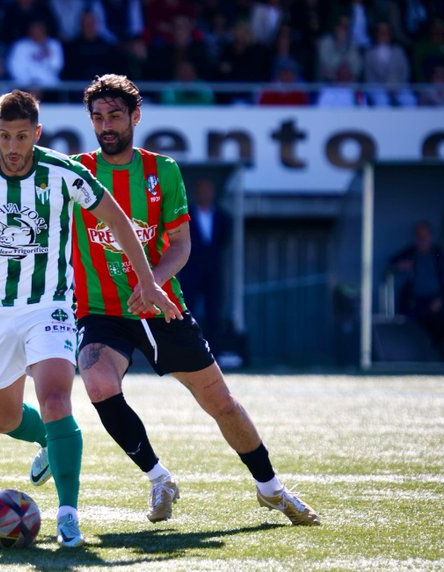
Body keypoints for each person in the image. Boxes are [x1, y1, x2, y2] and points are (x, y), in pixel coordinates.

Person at [71, 74, 320, 526]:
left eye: (114, 115)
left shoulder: (161, 170)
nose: (105, 125)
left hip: (162, 306)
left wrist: (154, 283)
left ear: (135, 117)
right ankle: (159, 478)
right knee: (98, 382)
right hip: (101, 310)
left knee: (221, 401)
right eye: (98, 117)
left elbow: (181, 244)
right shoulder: (76, 172)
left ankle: (271, 488)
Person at [0, 89, 181, 548]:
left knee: (55, 400)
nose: (13, 147)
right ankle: (48, 443)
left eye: (22, 137)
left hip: (50, 305)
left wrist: (149, 282)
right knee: (1, 418)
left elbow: (117, 219)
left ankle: (67, 513)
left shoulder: (63, 173)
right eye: (6, 136)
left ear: (37, 134)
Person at [178, 178, 232, 342]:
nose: (205, 195)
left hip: (213, 272)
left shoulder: (222, 216)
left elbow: (224, 240)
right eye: (202, 191)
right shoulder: (187, 214)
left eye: (208, 191)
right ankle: (190, 348)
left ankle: (214, 351)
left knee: (213, 312)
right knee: (188, 310)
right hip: (191, 271)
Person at [388, 220, 444, 354]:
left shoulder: (438, 255)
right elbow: (391, 264)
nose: (422, 240)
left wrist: (441, 299)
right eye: (419, 237)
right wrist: (399, 266)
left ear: (430, 236)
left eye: (424, 236)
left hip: (437, 299)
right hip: (416, 301)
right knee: (414, 321)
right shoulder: (411, 253)